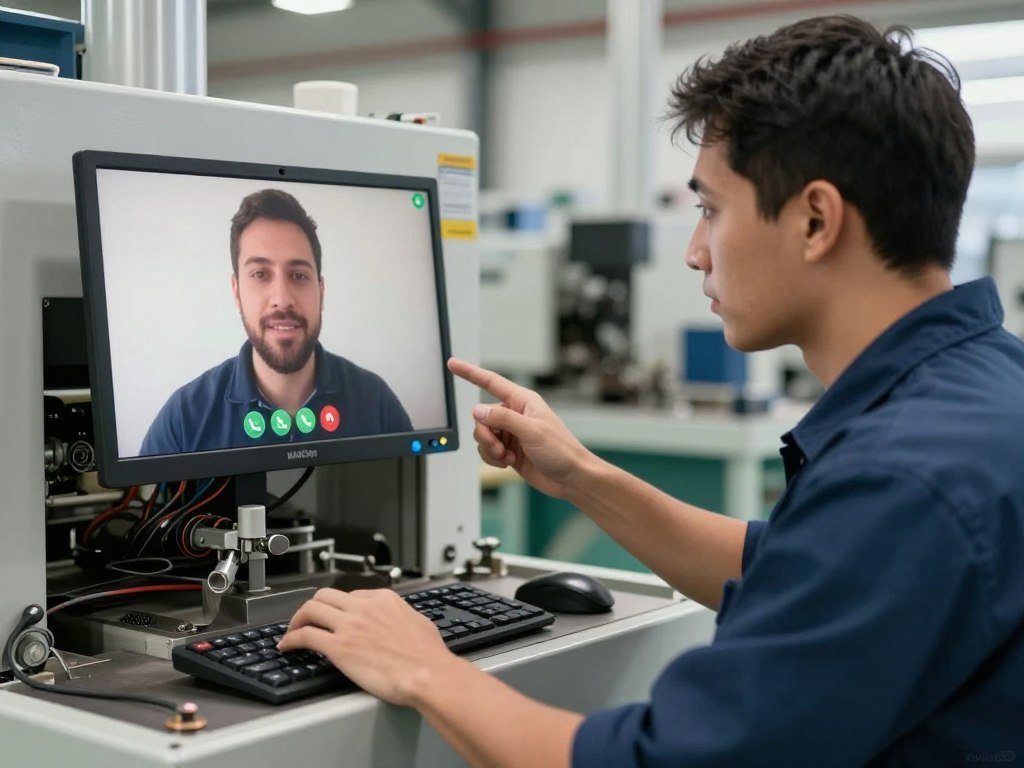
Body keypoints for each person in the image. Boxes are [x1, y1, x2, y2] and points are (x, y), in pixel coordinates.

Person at [278, 15, 1024, 767]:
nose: (696, 252)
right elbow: (802, 571)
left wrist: (422, 666)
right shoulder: (987, 386)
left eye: (710, 208)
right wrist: (582, 477)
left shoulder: (903, 476)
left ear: (815, 219)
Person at [140, 189, 412, 455]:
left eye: (299, 275)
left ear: (322, 291)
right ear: (236, 291)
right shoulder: (184, 420)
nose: (282, 299)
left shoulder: (377, 403)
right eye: (260, 274)